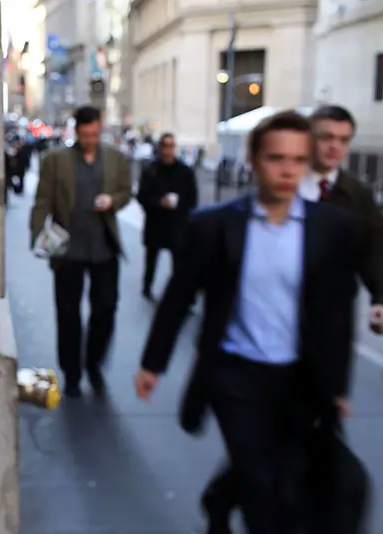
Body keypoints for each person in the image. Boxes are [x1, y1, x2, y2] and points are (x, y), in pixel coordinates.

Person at [134, 110, 361, 533]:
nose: (288, 170)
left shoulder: (331, 229)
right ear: (254, 161)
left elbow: (336, 312)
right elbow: (177, 298)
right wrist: (152, 364)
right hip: (234, 375)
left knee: (285, 469)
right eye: (277, 158)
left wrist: (337, 386)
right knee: (263, 488)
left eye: (297, 159)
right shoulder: (215, 226)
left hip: (299, 378)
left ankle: (219, 497)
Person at [199, 104, 383, 533]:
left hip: (322, 342)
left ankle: (227, 493)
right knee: (274, 435)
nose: (334, 147)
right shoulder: (278, 184)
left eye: (343, 140)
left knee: (301, 434)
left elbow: (374, 249)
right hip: (261, 340)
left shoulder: (354, 196)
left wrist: (379, 296)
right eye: (325, 138)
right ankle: (240, 498)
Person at [30, 105, 132, 398]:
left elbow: (127, 192)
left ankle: (94, 363)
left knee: (106, 310)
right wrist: (37, 238)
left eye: (95, 134)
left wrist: (112, 200)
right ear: (76, 131)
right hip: (68, 251)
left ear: (101, 130)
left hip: (104, 249)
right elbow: (42, 201)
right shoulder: (56, 161)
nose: (89, 139)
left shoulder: (115, 159)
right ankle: (72, 372)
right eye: (85, 134)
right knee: (68, 314)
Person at [137, 132, 198, 300]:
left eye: (171, 146)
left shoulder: (185, 172)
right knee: (151, 259)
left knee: (179, 262)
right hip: (156, 222)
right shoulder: (151, 170)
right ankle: (147, 287)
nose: (168, 150)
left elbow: (192, 198)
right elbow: (142, 196)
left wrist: (184, 213)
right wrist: (158, 202)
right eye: (165, 146)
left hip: (177, 223)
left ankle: (180, 294)